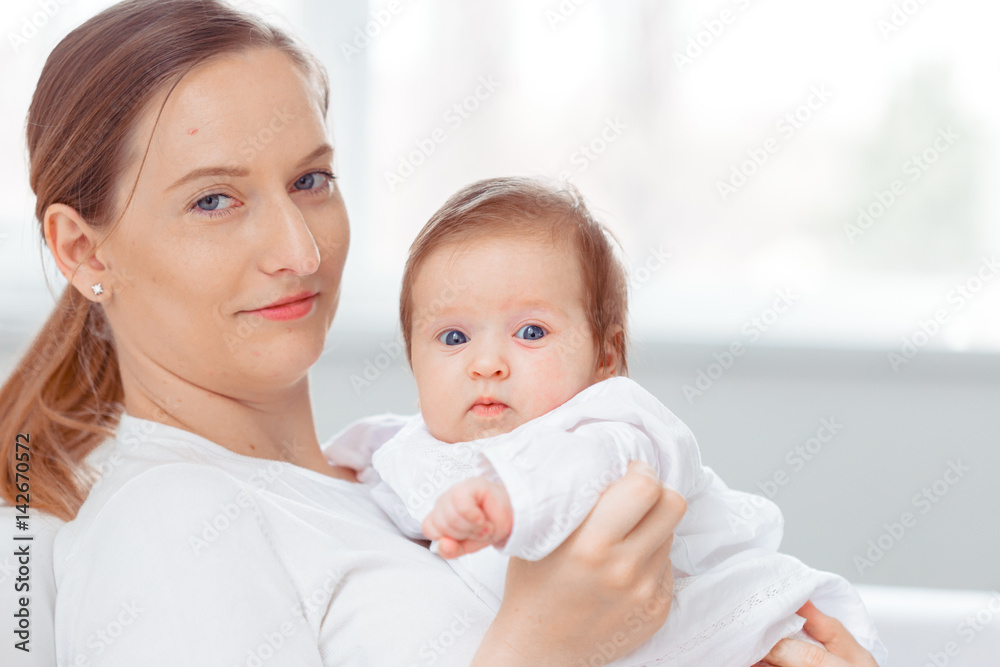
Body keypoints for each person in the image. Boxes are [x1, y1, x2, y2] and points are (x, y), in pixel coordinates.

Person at [0, 0, 877, 664]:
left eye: (310, 181)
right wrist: (541, 643)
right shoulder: (167, 526)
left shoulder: (385, 471)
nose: (299, 250)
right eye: (215, 200)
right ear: (82, 249)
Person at [358, 177, 886, 665]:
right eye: (454, 338)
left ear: (605, 356)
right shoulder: (418, 447)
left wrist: (510, 499)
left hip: (728, 628)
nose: (487, 362)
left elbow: (583, 470)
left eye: (532, 332)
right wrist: (354, 462)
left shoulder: (610, 424)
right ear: (412, 360)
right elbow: (383, 467)